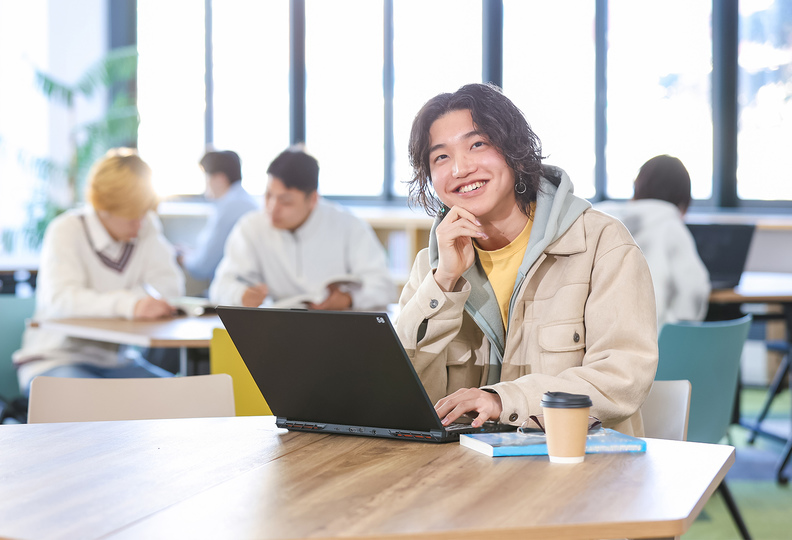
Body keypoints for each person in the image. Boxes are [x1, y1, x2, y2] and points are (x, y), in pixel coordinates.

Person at [396, 83, 658, 436]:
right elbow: (404, 394)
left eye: (477, 145)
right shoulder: (432, 265)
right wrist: (443, 283)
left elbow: (622, 377)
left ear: (514, 150)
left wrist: (505, 400)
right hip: (468, 474)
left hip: (581, 469)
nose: (460, 168)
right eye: (440, 156)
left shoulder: (601, 244)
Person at [13, 148, 185, 394]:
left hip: (117, 363)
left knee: (180, 395)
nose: (139, 225)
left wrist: (130, 303)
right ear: (103, 207)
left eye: (143, 214)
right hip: (55, 360)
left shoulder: (146, 227)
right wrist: (131, 305)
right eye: (131, 218)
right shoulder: (66, 230)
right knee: (99, 403)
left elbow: (170, 287)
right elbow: (63, 300)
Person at [209, 148, 396, 311]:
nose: (273, 208)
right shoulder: (251, 227)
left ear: (313, 199)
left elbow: (385, 286)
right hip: (275, 329)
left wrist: (349, 299)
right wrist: (241, 295)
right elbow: (219, 287)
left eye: (286, 201)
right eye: (268, 195)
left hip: (334, 328)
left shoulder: (348, 225)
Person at [595, 155, 710, 329]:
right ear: (683, 199)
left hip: (596, 344)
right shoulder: (671, 226)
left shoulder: (600, 216)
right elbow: (693, 292)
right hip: (651, 346)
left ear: (637, 187)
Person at [181, 150, 258, 283]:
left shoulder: (229, 208)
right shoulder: (246, 201)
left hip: (234, 289)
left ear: (220, 178)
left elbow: (202, 267)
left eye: (207, 177)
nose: (205, 185)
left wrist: (182, 257)